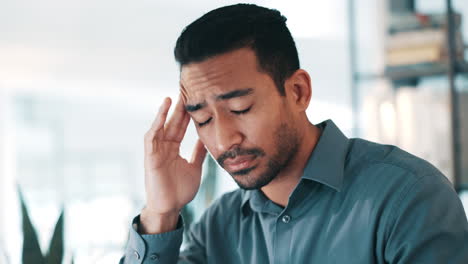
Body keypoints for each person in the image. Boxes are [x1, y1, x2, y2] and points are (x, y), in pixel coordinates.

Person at [120, 4, 468, 264]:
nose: (224, 141)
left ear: (298, 92)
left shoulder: (406, 197)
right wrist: (161, 214)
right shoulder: (219, 228)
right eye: (203, 119)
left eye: (240, 108)